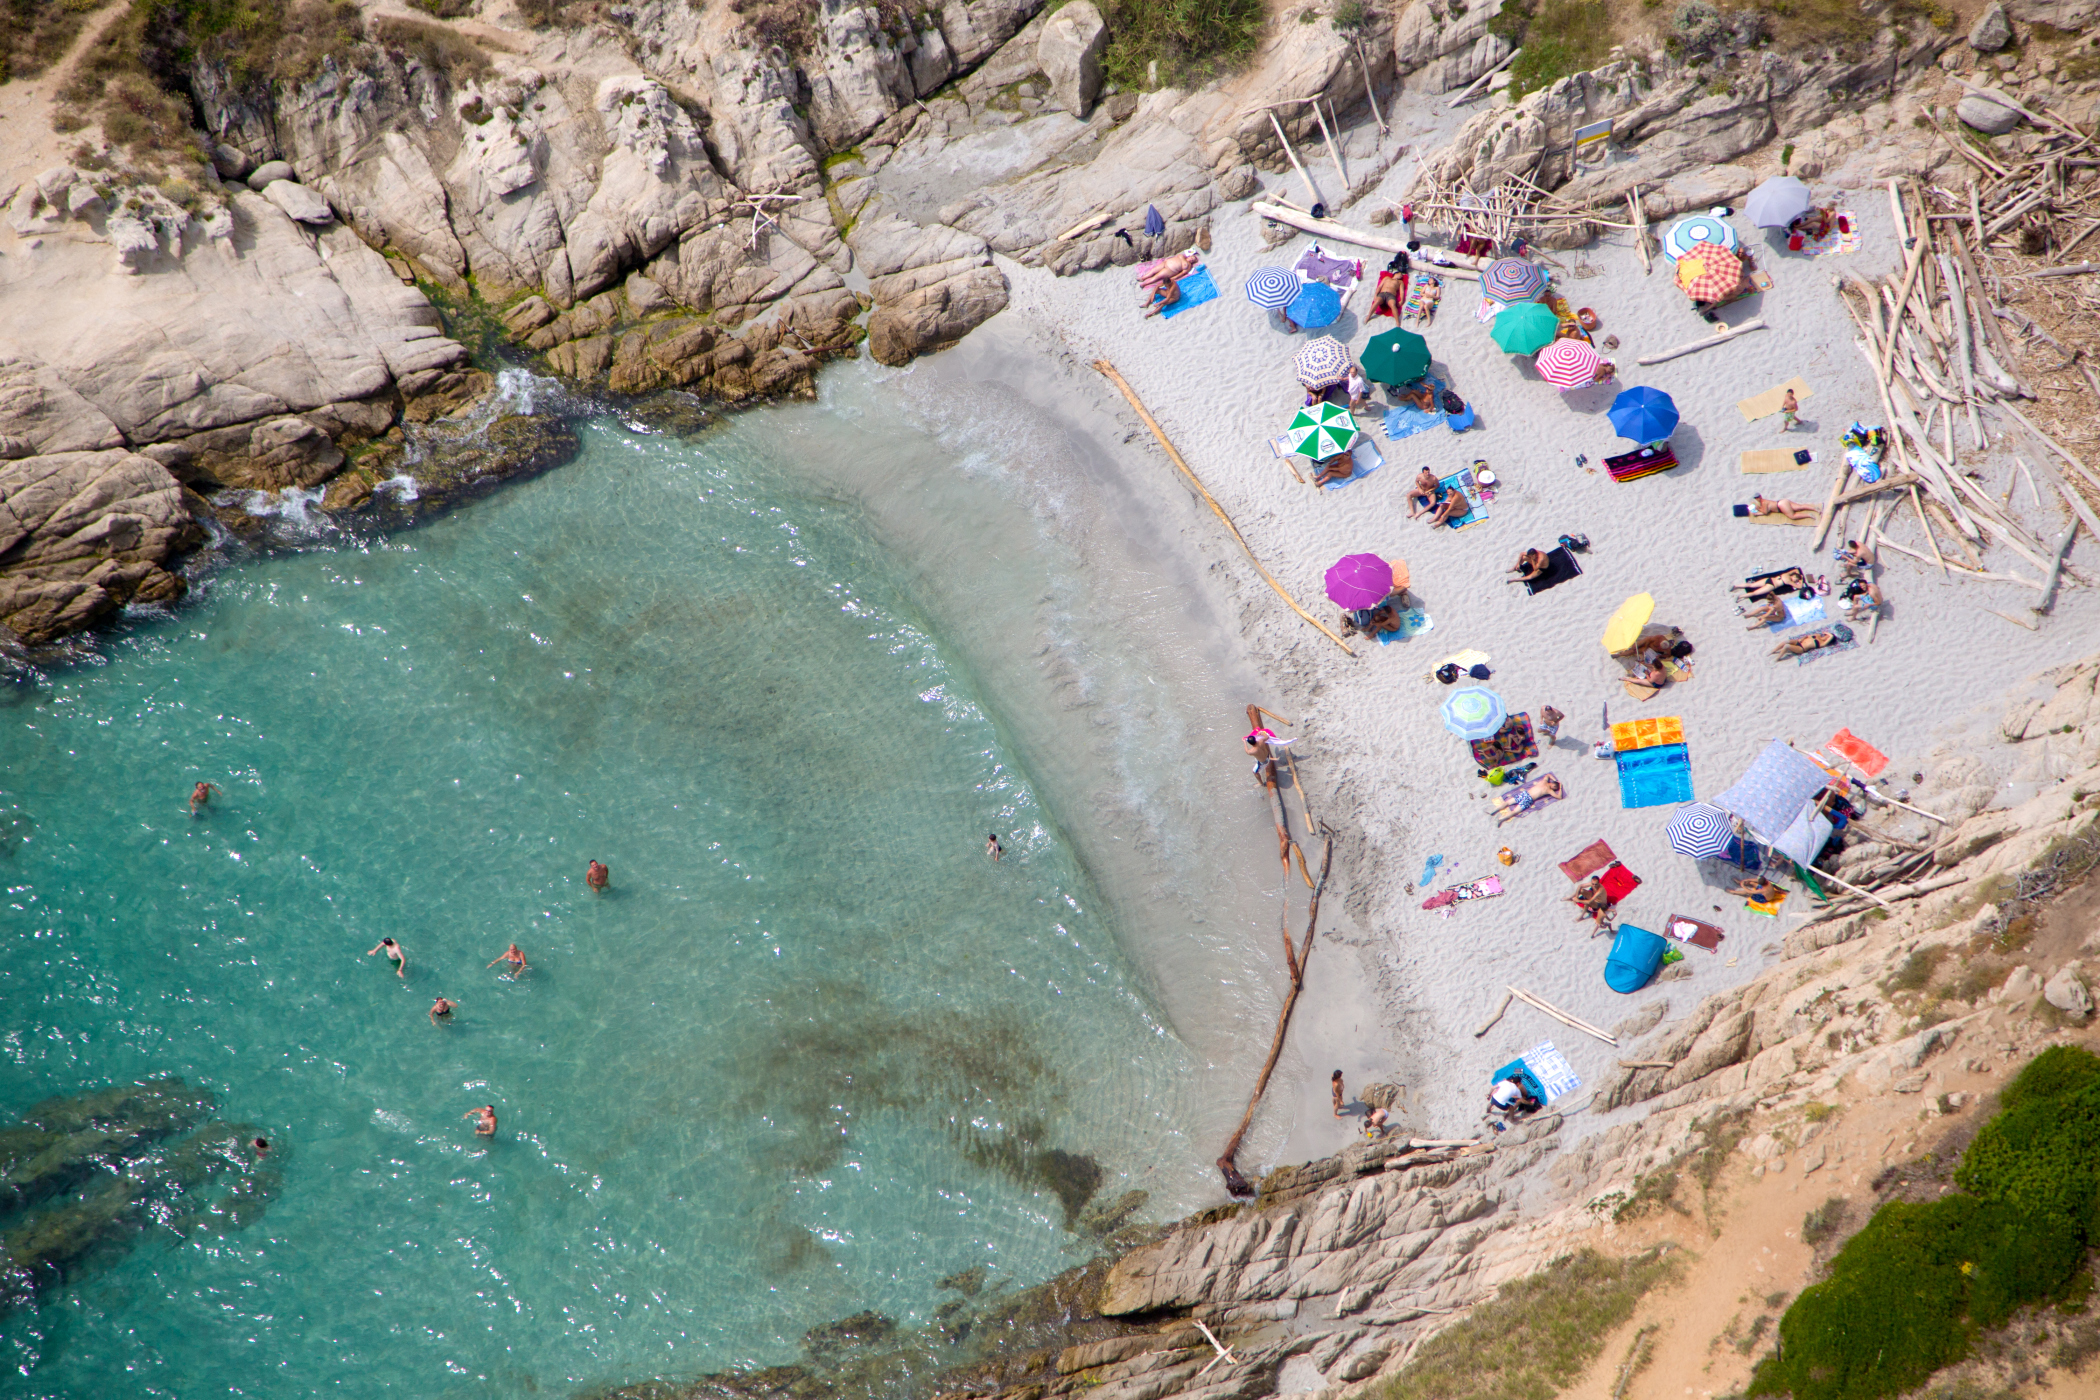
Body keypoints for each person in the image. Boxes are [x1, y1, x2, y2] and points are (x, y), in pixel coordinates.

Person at [1491, 774, 1562, 824]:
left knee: (1507, 802)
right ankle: (1500, 819)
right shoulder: (1549, 790)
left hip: (1525, 794)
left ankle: (1493, 811)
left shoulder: (1544, 781)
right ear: (1554, 787)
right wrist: (1560, 788)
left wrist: (1555, 780)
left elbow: (1548, 775)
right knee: (1514, 811)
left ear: (1552, 783)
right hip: (1529, 799)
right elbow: (1559, 797)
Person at [1771, 624, 1853, 659]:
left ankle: (1778, 658)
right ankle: (1773, 651)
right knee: (1786, 641)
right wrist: (1802, 639)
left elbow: (1831, 636)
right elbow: (1807, 636)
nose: (1824, 635)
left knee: (1787, 646)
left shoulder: (1822, 643)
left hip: (1801, 648)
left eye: (1826, 636)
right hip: (1799, 642)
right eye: (1825, 634)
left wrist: (1828, 634)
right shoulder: (1817, 635)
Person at [1733, 567, 1809, 601]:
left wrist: (1798, 574)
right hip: (1771, 586)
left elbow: (1796, 569)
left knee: (1751, 585)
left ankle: (1736, 586)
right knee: (1754, 593)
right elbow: (1799, 587)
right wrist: (1801, 579)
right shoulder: (1789, 581)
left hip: (1769, 579)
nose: (1796, 581)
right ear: (1794, 577)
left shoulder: (1787, 574)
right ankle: (1740, 596)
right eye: (1796, 579)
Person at [1748, 494, 1818, 523]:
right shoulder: (1764, 502)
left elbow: (1765, 512)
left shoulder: (1764, 503)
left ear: (1758, 498)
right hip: (1783, 501)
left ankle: (1809, 515)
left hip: (1780, 506)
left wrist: (1758, 510)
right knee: (1799, 507)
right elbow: (1764, 511)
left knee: (1792, 516)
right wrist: (1757, 513)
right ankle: (1814, 508)